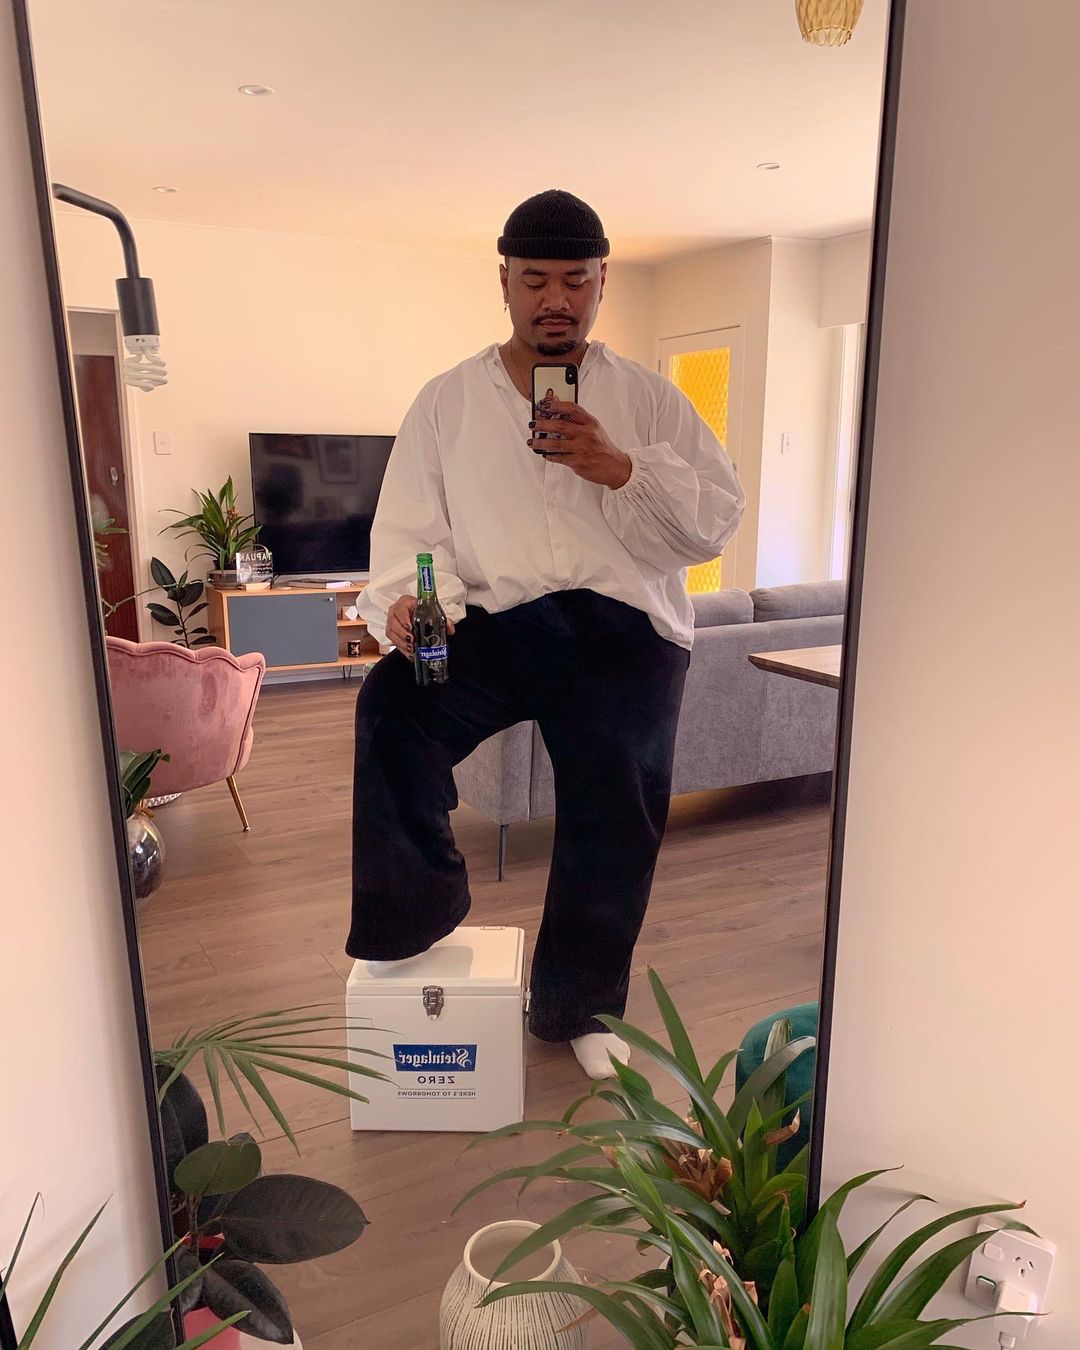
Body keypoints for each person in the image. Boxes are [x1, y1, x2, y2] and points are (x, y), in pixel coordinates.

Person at [350, 189, 744, 1079]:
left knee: (618, 799)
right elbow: (412, 532)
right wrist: (411, 606)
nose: (556, 300)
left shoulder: (651, 401)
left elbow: (712, 525)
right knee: (391, 709)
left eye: (577, 280)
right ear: (505, 282)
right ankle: (413, 916)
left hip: (623, 626)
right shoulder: (447, 403)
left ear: (603, 282)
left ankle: (579, 1004)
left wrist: (623, 468)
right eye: (535, 280)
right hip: (496, 620)